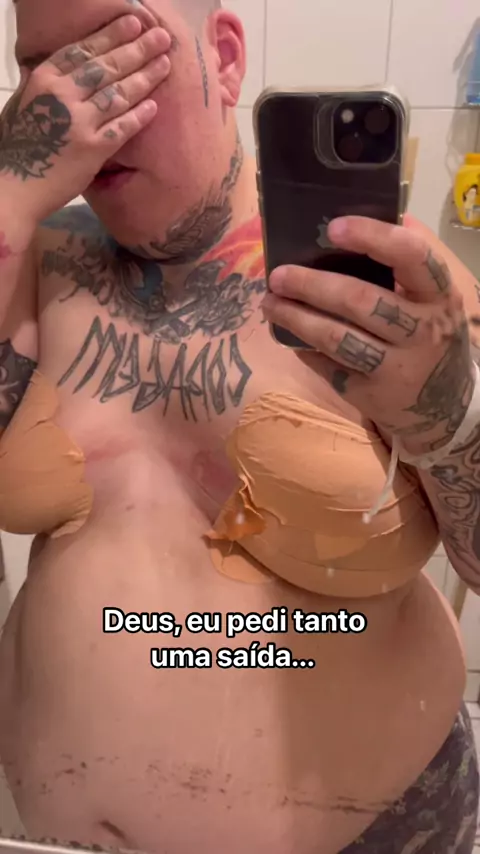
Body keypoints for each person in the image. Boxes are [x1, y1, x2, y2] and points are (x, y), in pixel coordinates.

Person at [0, 1, 479, 852]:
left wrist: (452, 427)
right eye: (43, 69)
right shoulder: (32, 261)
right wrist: (5, 197)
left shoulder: (397, 289)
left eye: (119, 48)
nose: (84, 102)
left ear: (222, 57)